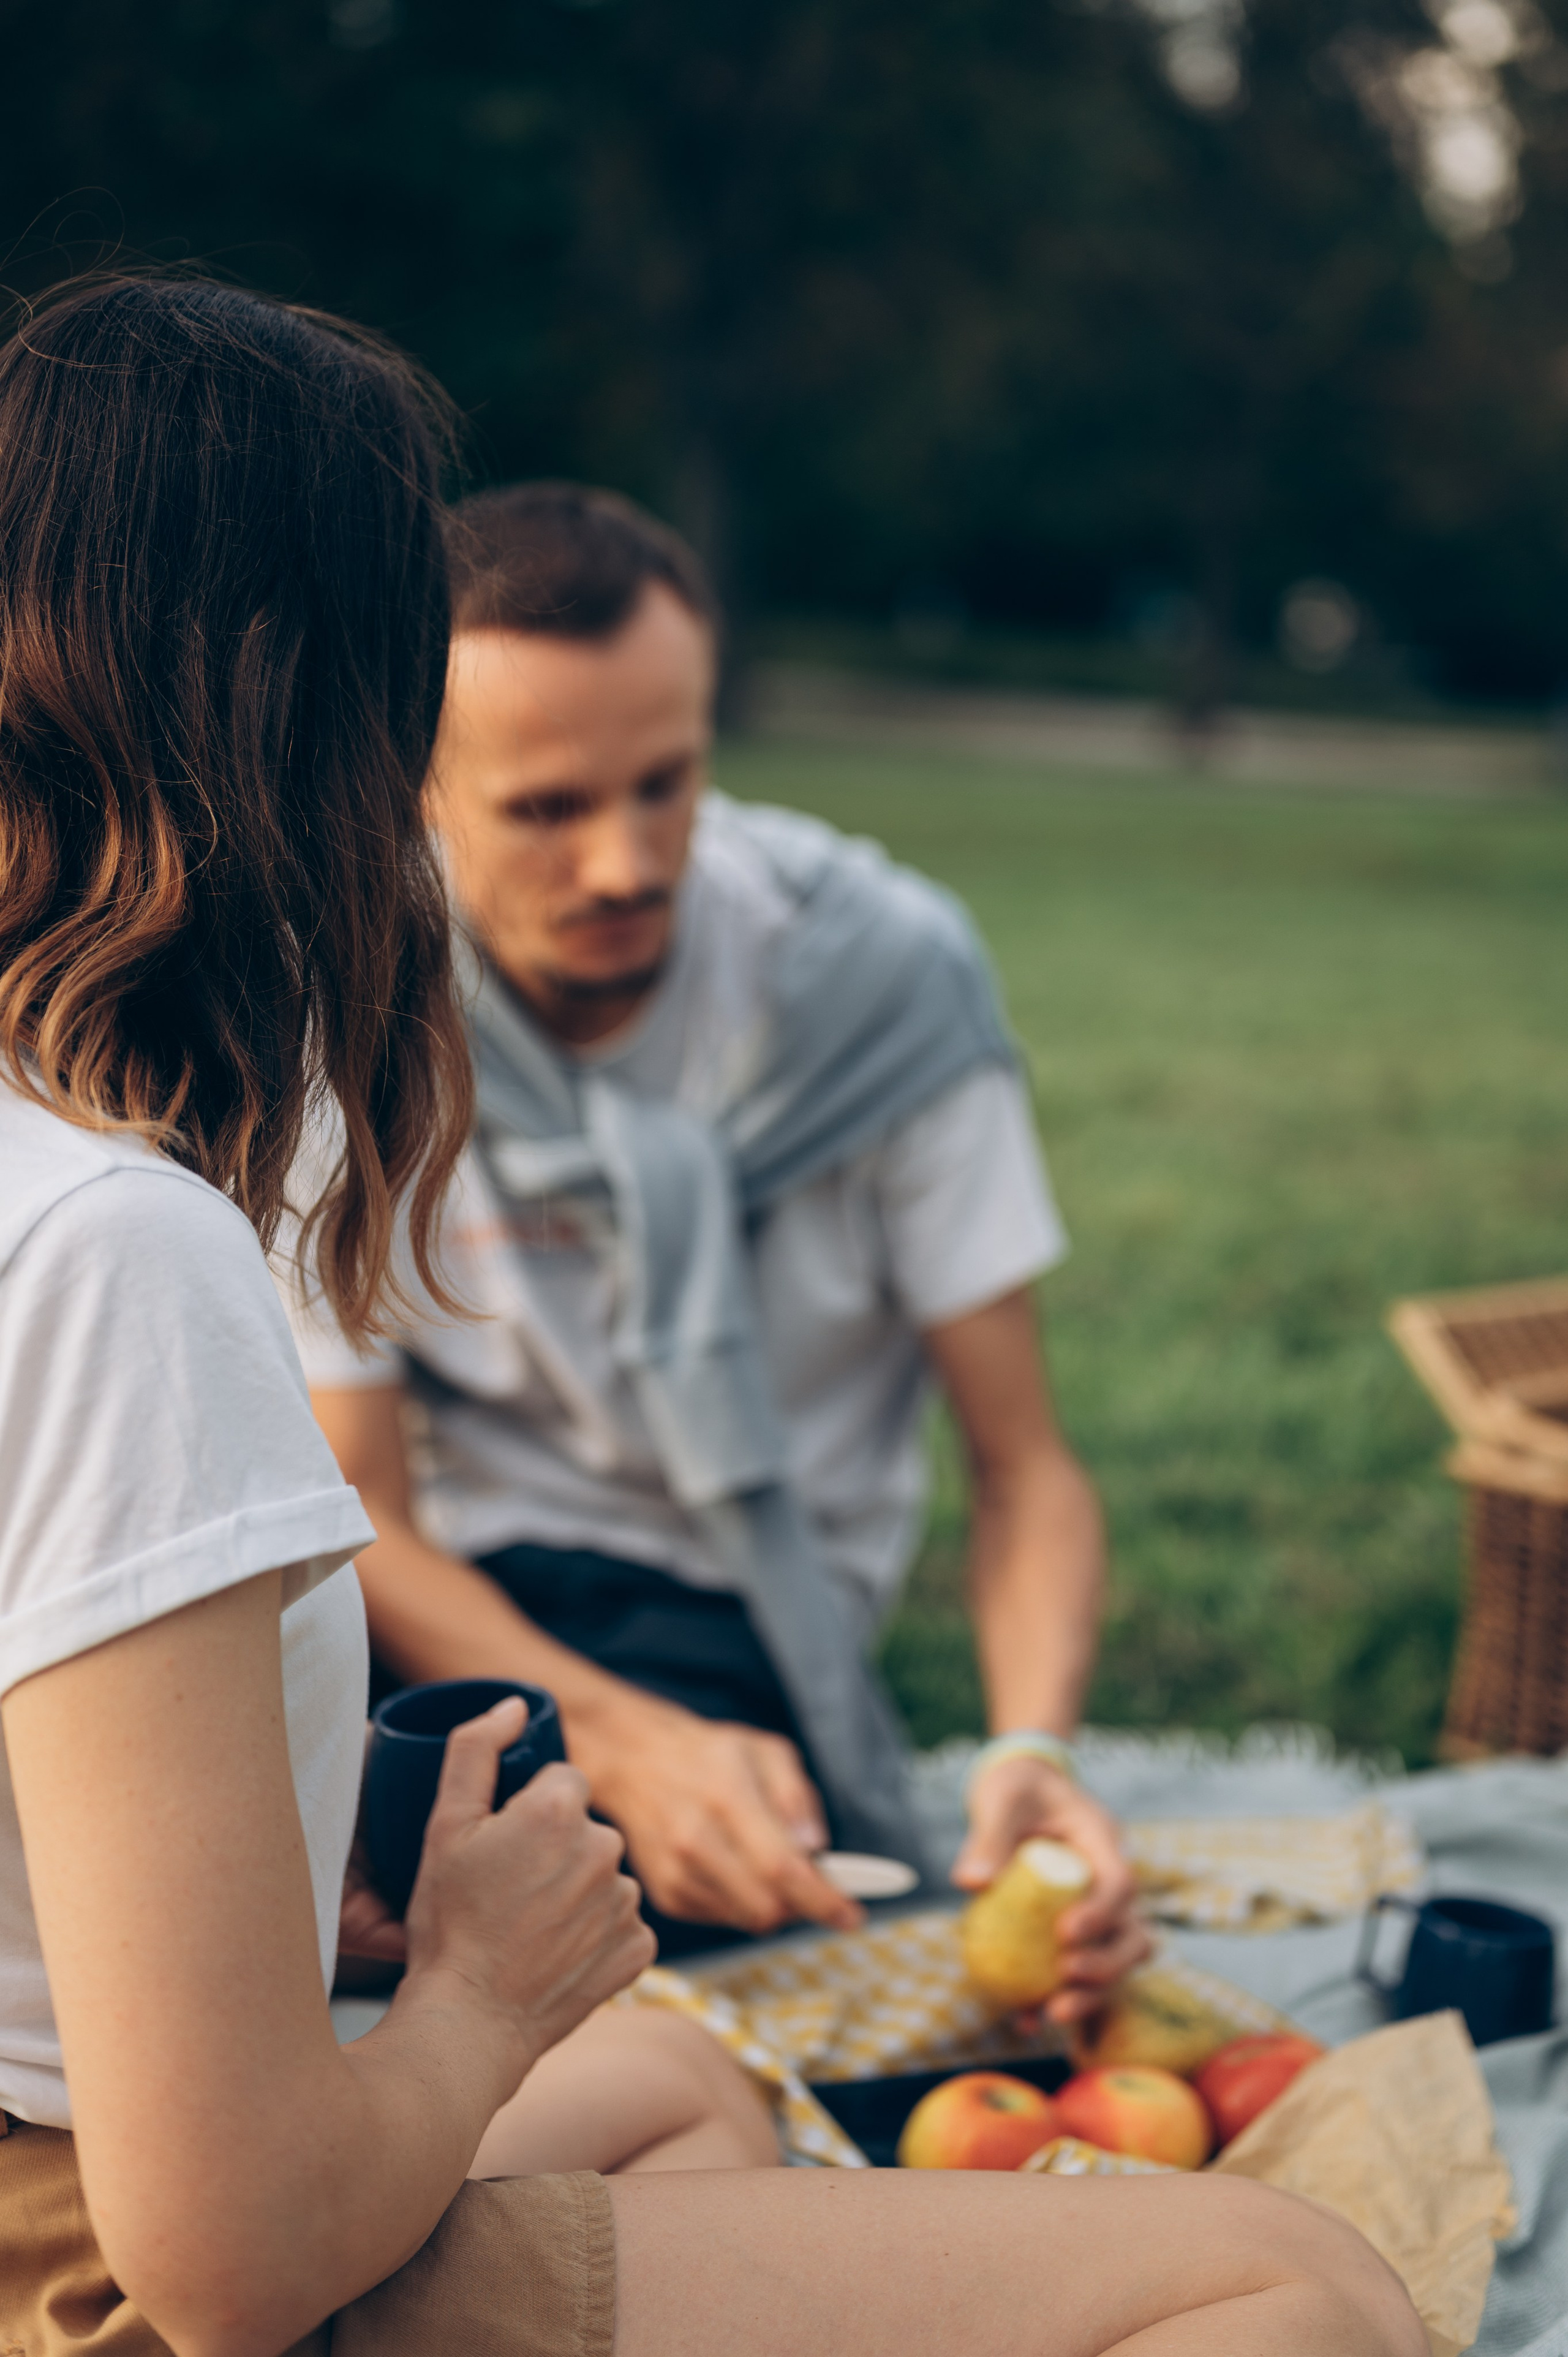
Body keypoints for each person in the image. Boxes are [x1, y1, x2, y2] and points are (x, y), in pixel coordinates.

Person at [0, 271, 1427, 2357]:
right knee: (1292, 2279)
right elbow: (223, 2264)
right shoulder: (121, 1247)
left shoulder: (872, 978)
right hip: (93, 2273)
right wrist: (481, 1981)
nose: (617, 858)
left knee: (687, 2077)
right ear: (329, 726)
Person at [285, 482, 1145, 1992]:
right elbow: (363, 1512)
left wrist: (1027, 1747)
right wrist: (611, 1737)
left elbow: (1022, 1464)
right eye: (545, 808)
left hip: (745, 1608)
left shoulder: (877, 986)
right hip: (449, 1598)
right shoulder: (345, 1005)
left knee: (615, 1914)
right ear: (413, 783)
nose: (624, 864)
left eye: (664, 783)